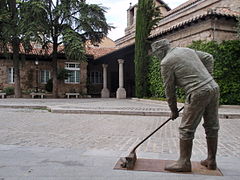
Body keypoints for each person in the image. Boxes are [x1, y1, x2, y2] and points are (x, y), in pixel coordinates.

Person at [151, 39, 220, 172]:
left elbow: (169, 90)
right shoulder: (186, 50)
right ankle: (211, 160)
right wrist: (208, 78)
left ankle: (184, 162)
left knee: (186, 129)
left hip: (198, 92)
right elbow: (208, 57)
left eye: (156, 53)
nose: (156, 56)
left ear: (161, 50)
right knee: (212, 126)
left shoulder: (166, 62)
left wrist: (174, 110)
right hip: (213, 87)